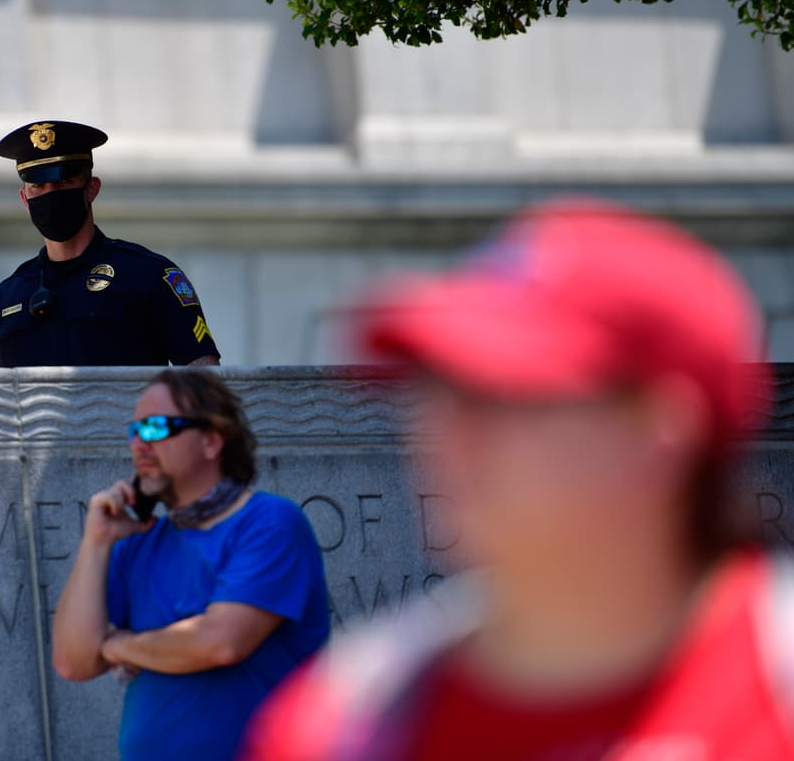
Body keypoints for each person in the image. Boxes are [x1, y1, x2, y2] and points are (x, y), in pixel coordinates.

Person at [242, 198, 794, 760]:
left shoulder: (778, 688)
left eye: (504, 394)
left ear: (658, 439)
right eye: (442, 390)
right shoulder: (340, 728)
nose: (448, 435)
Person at [52, 368, 330, 760]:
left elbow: (219, 642)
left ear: (211, 441)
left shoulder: (269, 523)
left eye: (155, 428)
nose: (139, 445)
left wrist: (118, 645)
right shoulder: (139, 541)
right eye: (134, 431)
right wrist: (96, 543)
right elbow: (73, 661)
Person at [0, 120, 221, 367]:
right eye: (38, 186)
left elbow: (206, 386)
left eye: (64, 182)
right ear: (24, 198)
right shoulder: (6, 298)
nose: (51, 195)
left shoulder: (149, 276)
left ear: (91, 189)